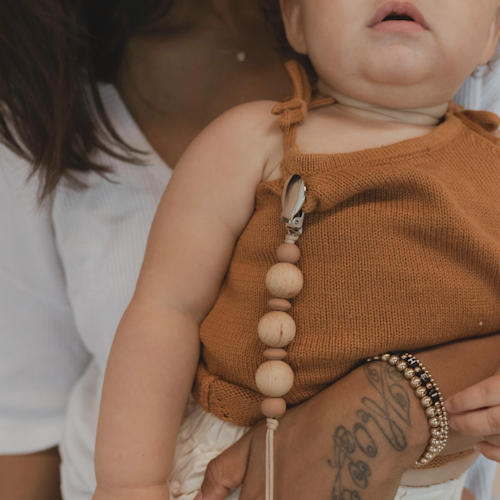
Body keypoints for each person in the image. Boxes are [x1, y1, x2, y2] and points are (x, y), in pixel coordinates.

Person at [0, 2, 498, 500]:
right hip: (220, 471)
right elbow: (166, 310)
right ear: (295, 21)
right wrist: (131, 482)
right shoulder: (254, 140)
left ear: (491, 37)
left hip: (431, 484)